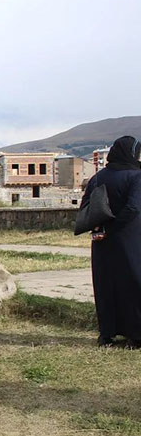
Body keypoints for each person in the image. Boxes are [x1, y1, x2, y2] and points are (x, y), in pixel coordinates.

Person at [84, 136, 141, 348]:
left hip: (102, 241)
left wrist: (101, 229)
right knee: (134, 283)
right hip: (130, 238)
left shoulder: (98, 177)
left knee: (106, 284)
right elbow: (134, 208)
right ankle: (136, 335)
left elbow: (86, 206)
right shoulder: (136, 177)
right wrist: (114, 229)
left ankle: (106, 334)